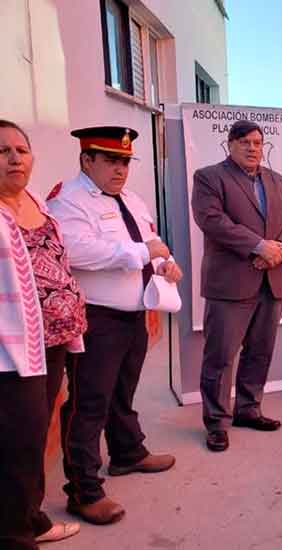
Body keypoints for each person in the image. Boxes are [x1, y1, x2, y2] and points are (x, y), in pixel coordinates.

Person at [48, 126, 183, 525]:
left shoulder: (133, 200)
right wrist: (143, 251)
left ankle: (127, 453)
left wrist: (163, 264)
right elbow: (75, 252)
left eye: (124, 161)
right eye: (110, 160)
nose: (120, 169)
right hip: (96, 319)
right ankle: (83, 491)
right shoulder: (67, 201)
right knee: (88, 405)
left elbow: (152, 244)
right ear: (86, 160)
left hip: (133, 314)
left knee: (122, 392)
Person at [191, 120, 282, 453]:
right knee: (220, 357)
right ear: (230, 144)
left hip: (271, 281)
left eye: (257, 142)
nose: (252, 148)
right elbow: (211, 220)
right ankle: (216, 423)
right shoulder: (210, 177)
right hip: (230, 283)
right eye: (244, 142)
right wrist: (258, 246)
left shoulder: (279, 182)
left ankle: (248, 409)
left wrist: (280, 250)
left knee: (260, 351)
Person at [0, 120, 84, 548]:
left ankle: (31, 519)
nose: (15, 158)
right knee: (15, 445)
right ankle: (15, 535)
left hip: (51, 343)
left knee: (33, 438)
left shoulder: (36, 201)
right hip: (9, 354)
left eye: (21, 149)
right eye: (3, 151)